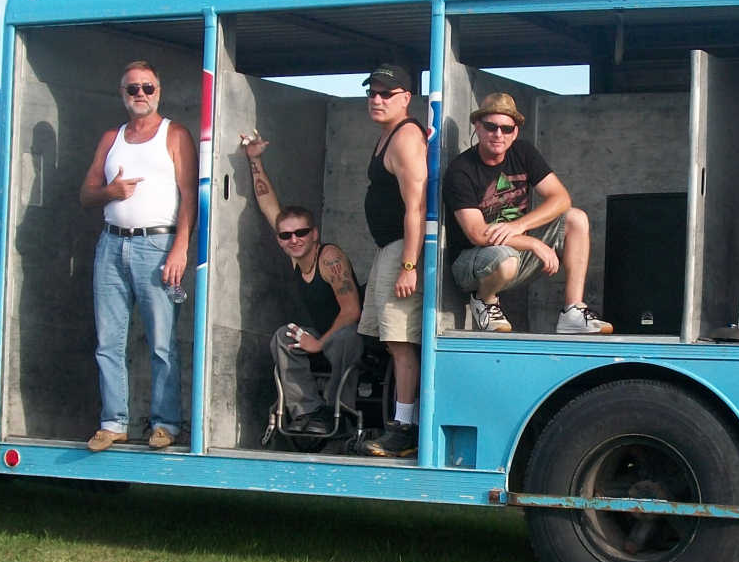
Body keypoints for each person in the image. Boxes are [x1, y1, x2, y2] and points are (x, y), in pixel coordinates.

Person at [79, 60, 196, 452]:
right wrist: (110, 193)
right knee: (108, 341)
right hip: (111, 244)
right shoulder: (112, 137)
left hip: (157, 246)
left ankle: (165, 424)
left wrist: (180, 248)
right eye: (132, 89)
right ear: (122, 95)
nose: (140, 94)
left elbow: (190, 199)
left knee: (162, 341)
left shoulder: (175, 134)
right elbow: (86, 194)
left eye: (147, 87)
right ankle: (113, 423)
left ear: (158, 91)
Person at [443, 92, 613, 335]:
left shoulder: (523, 153)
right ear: (477, 127)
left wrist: (520, 225)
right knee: (504, 257)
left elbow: (561, 198)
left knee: (576, 218)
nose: (498, 134)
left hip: (515, 252)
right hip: (472, 264)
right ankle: (484, 301)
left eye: (506, 128)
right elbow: (477, 235)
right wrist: (533, 243)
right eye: (491, 127)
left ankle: (572, 311)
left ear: (515, 132)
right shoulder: (461, 170)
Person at [240, 133, 362, 435]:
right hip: (318, 334)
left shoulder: (329, 257)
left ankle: (340, 412)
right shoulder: (295, 258)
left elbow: (351, 311)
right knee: (283, 335)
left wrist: (318, 343)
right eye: (286, 235)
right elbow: (271, 207)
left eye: (301, 233)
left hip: (346, 335)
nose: (293, 239)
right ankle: (309, 411)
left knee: (345, 337)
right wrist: (254, 159)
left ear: (315, 234)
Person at [356, 65, 428, 458]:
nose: (377, 99)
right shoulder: (386, 135)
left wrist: (409, 265)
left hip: (403, 249)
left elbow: (416, 206)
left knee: (401, 341)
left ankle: (405, 428)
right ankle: (399, 422)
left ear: (406, 98)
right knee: (389, 341)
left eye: (387, 93)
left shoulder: (405, 137)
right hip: (388, 248)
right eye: (373, 92)